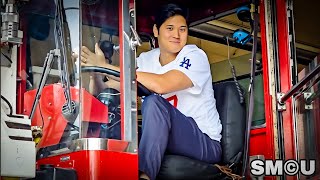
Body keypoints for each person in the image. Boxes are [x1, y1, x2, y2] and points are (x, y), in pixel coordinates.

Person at [80, 4, 222, 180]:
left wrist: (105, 66)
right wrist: (97, 73)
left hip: (204, 141)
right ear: (156, 31)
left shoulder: (194, 55)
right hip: (170, 139)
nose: (177, 35)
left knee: (153, 102)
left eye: (182, 29)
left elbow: (162, 84)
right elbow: (112, 89)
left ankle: (144, 177)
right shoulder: (147, 59)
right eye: (170, 28)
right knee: (117, 122)